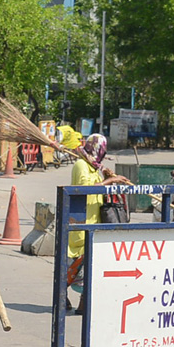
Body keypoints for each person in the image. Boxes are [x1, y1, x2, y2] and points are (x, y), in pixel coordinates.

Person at [65, 133, 128, 313]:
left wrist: (106, 175)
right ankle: (62, 297)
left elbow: (97, 184)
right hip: (81, 223)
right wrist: (111, 181)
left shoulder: (93, 166)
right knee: (75, 266)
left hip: (94, 223)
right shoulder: (81, 165)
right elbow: (84, 189)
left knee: (90, 267)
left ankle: (83, 304)